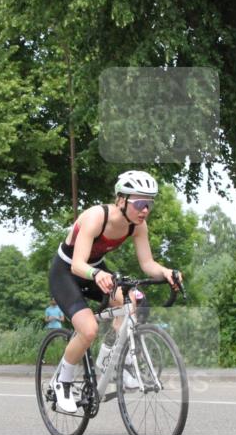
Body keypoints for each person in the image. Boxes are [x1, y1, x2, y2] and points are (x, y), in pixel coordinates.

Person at [48, 170, 182, 414]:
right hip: (67, 272)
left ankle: (108, 357)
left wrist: (166, 272)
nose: (145, 210)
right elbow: (77, 264)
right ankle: (62, 381)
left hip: (96, 271)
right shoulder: (96, 217)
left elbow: (147, 264)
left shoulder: (137, 226)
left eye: (149, 204)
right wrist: (96, 274)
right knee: (89, 330)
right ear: (121, 200)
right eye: (140, 204)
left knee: (133, 302)